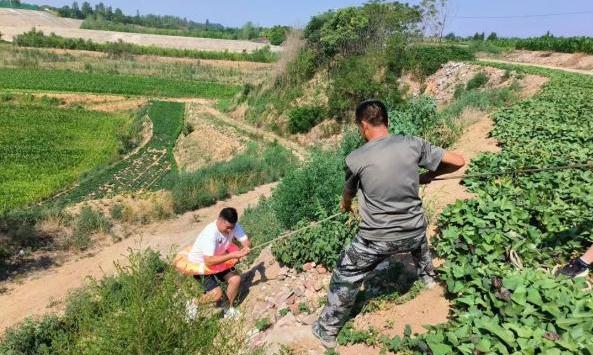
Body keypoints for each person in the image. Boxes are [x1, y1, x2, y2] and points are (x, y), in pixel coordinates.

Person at [312, 99, 466, 348]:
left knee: (346, 272)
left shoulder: (355, 159)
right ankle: (428, 278)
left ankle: (327, 331)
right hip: (414, 232)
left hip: (378, 240)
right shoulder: (413, 143)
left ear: (363, 125)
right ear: (386, 120)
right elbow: (458, 161)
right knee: (417, 234)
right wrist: (427, 176)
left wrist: (345, 205)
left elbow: (348, 193)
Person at [187, 207, 250, 319]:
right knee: (217, 294)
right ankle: (193, 303)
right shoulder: (210, 234)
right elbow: (208, 261)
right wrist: (232, 255)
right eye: (227, 228)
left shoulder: (233, 226)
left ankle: (228, 308)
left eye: (232, 227)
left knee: (235, 280)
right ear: (219, 220)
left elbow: (245, 240)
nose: (230, 231)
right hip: (201, 264)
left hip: (218, 258)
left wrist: (246, 248)